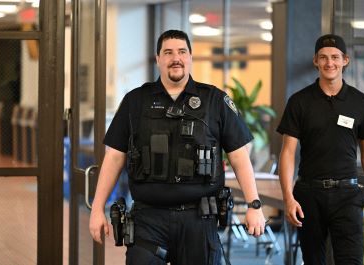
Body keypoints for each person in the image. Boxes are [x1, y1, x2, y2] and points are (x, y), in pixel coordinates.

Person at [89, 29, 266, 265]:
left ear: (190, 57)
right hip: (148, 219)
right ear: (158, 59)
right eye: (168, 52)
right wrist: (97, 207)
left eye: (182, 52)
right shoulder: (135, 101)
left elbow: (239, 156)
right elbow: (114, 157)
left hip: (199, 220)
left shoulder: (214, 100)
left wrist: (254, 204)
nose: (176, 58)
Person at [277, 33, 364, 265]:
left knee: (351, 260)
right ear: (315, 61)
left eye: (335, 57)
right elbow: (288, 152)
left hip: (347, 195)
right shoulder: (299, 101)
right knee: (313, 261)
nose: (329, 63)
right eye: (323, 57)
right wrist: (288, 198)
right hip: (309, 195)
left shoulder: (360, 102)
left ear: (345, 60)